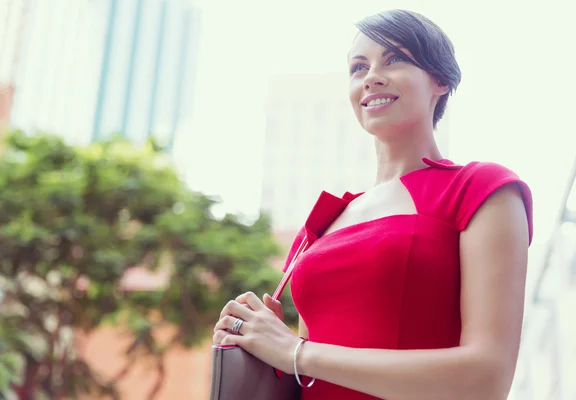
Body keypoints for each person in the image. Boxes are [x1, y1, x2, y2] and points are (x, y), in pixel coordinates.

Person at [213, 9, 533, 400]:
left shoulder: (481, 188)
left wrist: (296, 352)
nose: (371, 77)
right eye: (358, 67)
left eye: (394, 59)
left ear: (441, 80)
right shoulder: (322, 223)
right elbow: (305, 376)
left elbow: (487, 379)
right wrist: (259, 344)